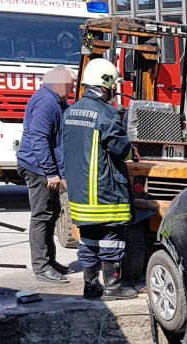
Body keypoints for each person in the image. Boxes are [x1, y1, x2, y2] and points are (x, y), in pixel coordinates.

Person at [61, 58, 138, 300]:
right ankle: (114, 288)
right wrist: (132, 151)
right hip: (105, 191)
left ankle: (91, 286)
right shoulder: (106, 114)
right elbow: (120, 149)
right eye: (113, 86)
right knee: (111, 240)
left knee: (89, 240)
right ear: (105, 86)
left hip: (80, 194)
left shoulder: (70, 112)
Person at [17, 65, 74, 283]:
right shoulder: (46, 102)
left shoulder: (57, 101)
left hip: (45, 167)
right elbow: (39, 139)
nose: (71, 90)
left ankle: (50, 261)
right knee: (42, 215)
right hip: (37, 168)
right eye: (69, 85)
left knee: (52, 214)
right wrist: (51, 172)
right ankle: (41, 267)